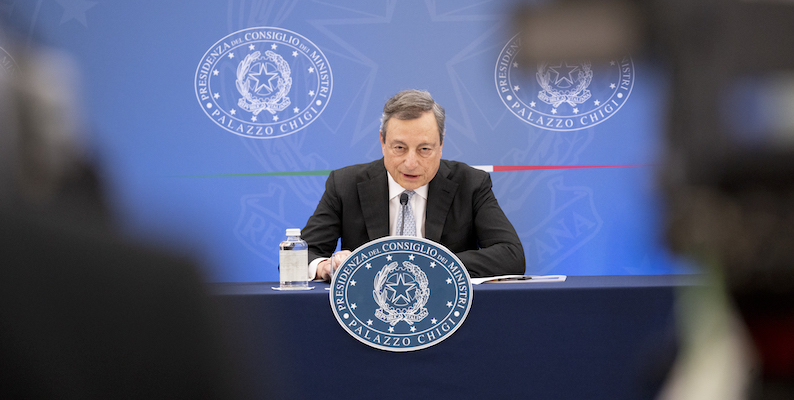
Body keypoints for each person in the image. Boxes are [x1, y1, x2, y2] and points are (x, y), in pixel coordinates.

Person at [301, 89, 525, 280]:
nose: (411, 163)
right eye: (399, 148)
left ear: (441, 146)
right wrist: (324, 267)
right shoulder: (345, 184)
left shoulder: (470, 184)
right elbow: (299, 256)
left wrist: (429, 263)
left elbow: (511, 256)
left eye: (424, 149)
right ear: (382, 142)